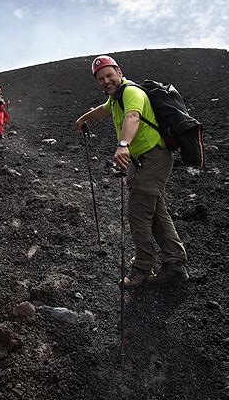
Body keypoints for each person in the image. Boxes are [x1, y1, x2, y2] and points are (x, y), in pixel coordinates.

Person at [75, 55, 188, 289]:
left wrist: (123, 144)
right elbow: (103, 110)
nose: (106, 81)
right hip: (143, 160)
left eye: (109, 75)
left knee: (138, 212)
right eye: (101, 79)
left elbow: (133, 116)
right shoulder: (115, 99)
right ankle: (175, 264)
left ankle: (142, 268)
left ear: (119, 71)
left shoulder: (131, 93)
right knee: (156, 212)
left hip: (153, 157)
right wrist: (83, 118)